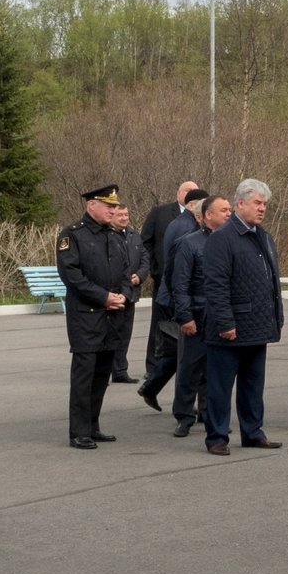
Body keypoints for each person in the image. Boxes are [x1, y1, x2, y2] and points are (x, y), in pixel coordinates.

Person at [201, 178, 285, 455]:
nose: (262, 209)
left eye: (265, 204)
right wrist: (225, 322)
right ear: (240, 203)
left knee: (252, 386)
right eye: (257, 203)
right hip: (229, 328)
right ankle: (216, 437)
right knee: (220, 388)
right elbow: (215, 285)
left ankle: (252, 432)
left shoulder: (263, 236)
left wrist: (275, 319)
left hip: (257, 326)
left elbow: (270, 282)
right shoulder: (221, 238)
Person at [57, 185, 134, 449]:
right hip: (86, 316)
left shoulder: (113, 236)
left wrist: (123, 295)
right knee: (84, 375)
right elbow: (72, 276)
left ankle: (92, 425)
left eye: (115, 207)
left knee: (102, 375)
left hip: (112, 316)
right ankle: (78, 431)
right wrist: (104, 297)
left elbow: (126, 271)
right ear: (91, 205)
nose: (113, 211)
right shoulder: (72, 235)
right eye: (108, 206)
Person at [139, 185, 208, 412]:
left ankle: (152, 387)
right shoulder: (185, 228)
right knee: (189, 353)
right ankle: (192, 407)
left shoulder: (182, 223)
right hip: (179, 298)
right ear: (193, 207)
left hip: (174, 296)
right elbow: (180, 272)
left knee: (179, 349)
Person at [166, 193, 230, 437]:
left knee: (217, 368)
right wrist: (185, 317)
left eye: (229, 210)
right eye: (223, 210)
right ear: (207, 215)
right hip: (197, 313)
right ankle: (184, 415)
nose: (228, 214)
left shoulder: (229, 240)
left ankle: (210, 411)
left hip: (220, 315)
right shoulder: (189, 243)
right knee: (189, 367)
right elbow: (179, 284)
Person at [108, 201, 149, 383]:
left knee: (125, 333)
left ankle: (120, 371)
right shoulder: (107, 235)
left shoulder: (134, 235)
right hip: (114, 294)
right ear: (112, 216)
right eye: (120, 215)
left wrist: (139, 276)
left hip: (131, 293)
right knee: (111, 334)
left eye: (126, 214)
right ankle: (107, 370)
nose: (124, 218)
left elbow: (145, 258)